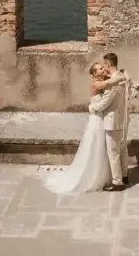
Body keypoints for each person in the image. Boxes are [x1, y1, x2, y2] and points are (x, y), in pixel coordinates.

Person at [43, 62, 115, 194]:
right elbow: (111, 83)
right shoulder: (96, 84)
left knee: (101, 144)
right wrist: (117, 75)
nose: (103, 69)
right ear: (94, 74)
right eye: (100, 69)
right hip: (97, 118)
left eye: (102, 67)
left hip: (100, 116)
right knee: (96, 144)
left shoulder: (102, 80)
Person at [92, 52, 132, 188]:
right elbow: (125, 73)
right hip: (122, 118)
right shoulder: (122, 77)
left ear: (108, 64)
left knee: (113, 152)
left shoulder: (111, 84)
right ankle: (125, 175)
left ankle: (117, 182)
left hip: (112, 121)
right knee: (122, 149)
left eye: (104, 65)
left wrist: (92, 107)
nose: (104, 67)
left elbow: (104, 104)